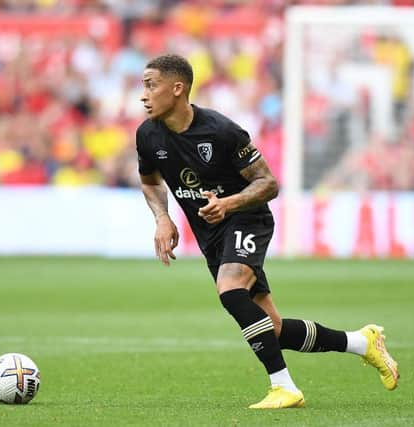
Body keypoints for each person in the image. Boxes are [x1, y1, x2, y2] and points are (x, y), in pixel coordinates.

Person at [136, 54, 399, 409]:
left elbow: (268, 183)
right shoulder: (147, 135)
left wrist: (228, 204)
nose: (144, 94)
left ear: (177, 88)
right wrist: (162, 219)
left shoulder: (222, 131)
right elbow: (150, 180)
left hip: (247, 219)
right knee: (271, 329)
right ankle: (362, 343)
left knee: (229, 289)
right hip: (211, 234)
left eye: (151, 85)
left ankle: (284, 386)